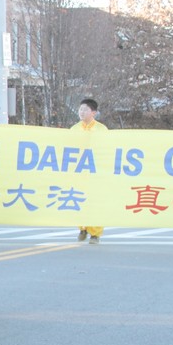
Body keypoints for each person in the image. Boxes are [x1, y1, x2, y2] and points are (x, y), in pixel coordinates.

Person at [72, 97, 108, 244]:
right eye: (80, 109)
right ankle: (82, 228)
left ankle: (95, 234)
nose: (82, 112)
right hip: (78, 172)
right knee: (77, 198)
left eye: (85, 109)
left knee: (95, 201)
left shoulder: (101, 129)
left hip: (95, 172)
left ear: (94, 112)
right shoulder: (74, 129)